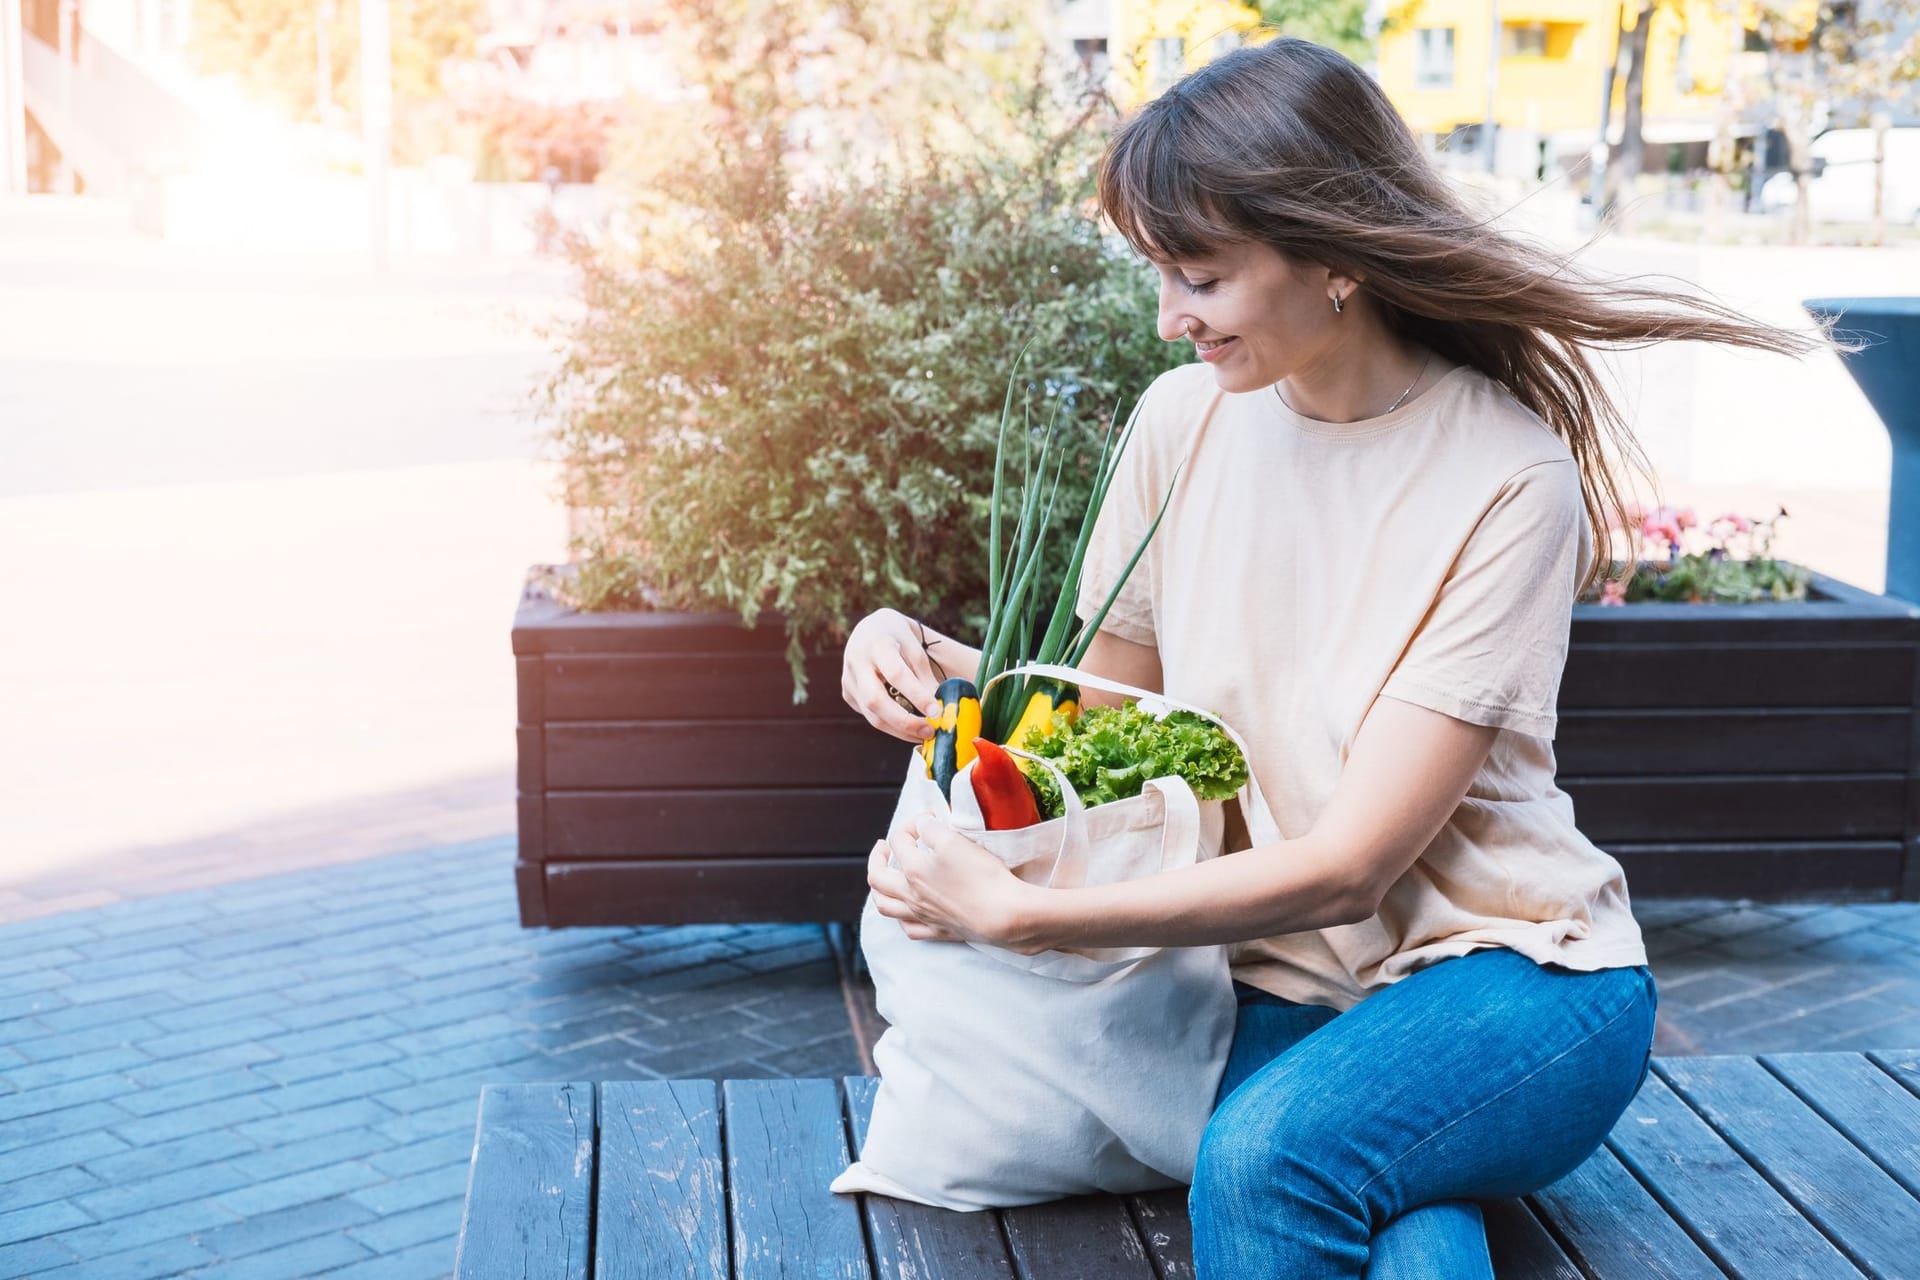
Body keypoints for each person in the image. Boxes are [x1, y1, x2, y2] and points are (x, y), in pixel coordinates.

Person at [839, 36, 1811, 1279]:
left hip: (1517, 977)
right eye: (1159, 273)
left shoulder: (1506, 476)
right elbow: (1116, 727)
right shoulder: (1180, 420)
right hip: (1279, 987)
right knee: (1388, 1211)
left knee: (1272, 1157)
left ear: (1337, 257)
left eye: (1198, 276)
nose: (1167, 316)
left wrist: (1033, 917)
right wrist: (916, 656)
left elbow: (1353, 864)